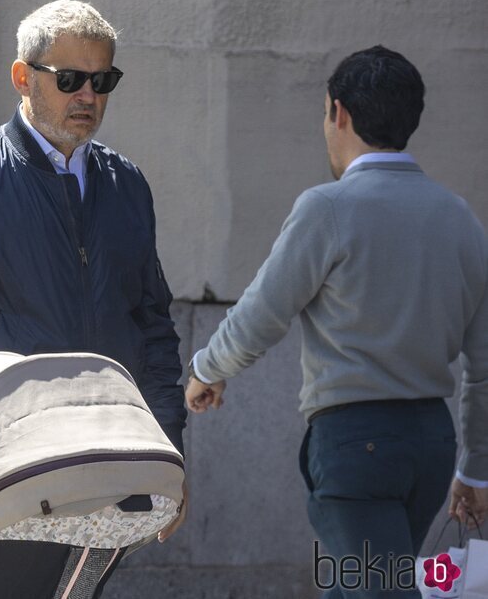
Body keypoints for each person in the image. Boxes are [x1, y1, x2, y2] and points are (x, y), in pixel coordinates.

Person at [186, 46, 488, 596]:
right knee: (361, 585)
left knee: (373, 588)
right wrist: (476, 468)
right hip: (431, 443)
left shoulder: (328, 207)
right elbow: (485, 364)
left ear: (339, 113)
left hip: (355, 443)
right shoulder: (460, 218)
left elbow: (261, 312)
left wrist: (207, 368)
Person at [0, 0, 185, 458]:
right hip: (2, 464)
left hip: (115, 454)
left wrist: (167, 450)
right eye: (69, 80)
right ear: (23, 78)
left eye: (102, 81)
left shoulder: (127, 184)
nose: (88, 96)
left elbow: (153, 330)